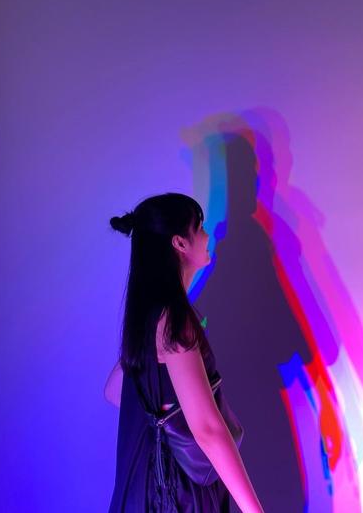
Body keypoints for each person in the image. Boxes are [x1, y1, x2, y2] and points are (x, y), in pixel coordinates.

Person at [106, 192, 264, 513]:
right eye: (200, 227)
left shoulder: (149, 319)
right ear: (179, 243)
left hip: (149, 490)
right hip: (178, 494)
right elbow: (208, 429)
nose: (208, 235)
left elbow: (113, 391)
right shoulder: (173, 321)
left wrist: (168, 396)